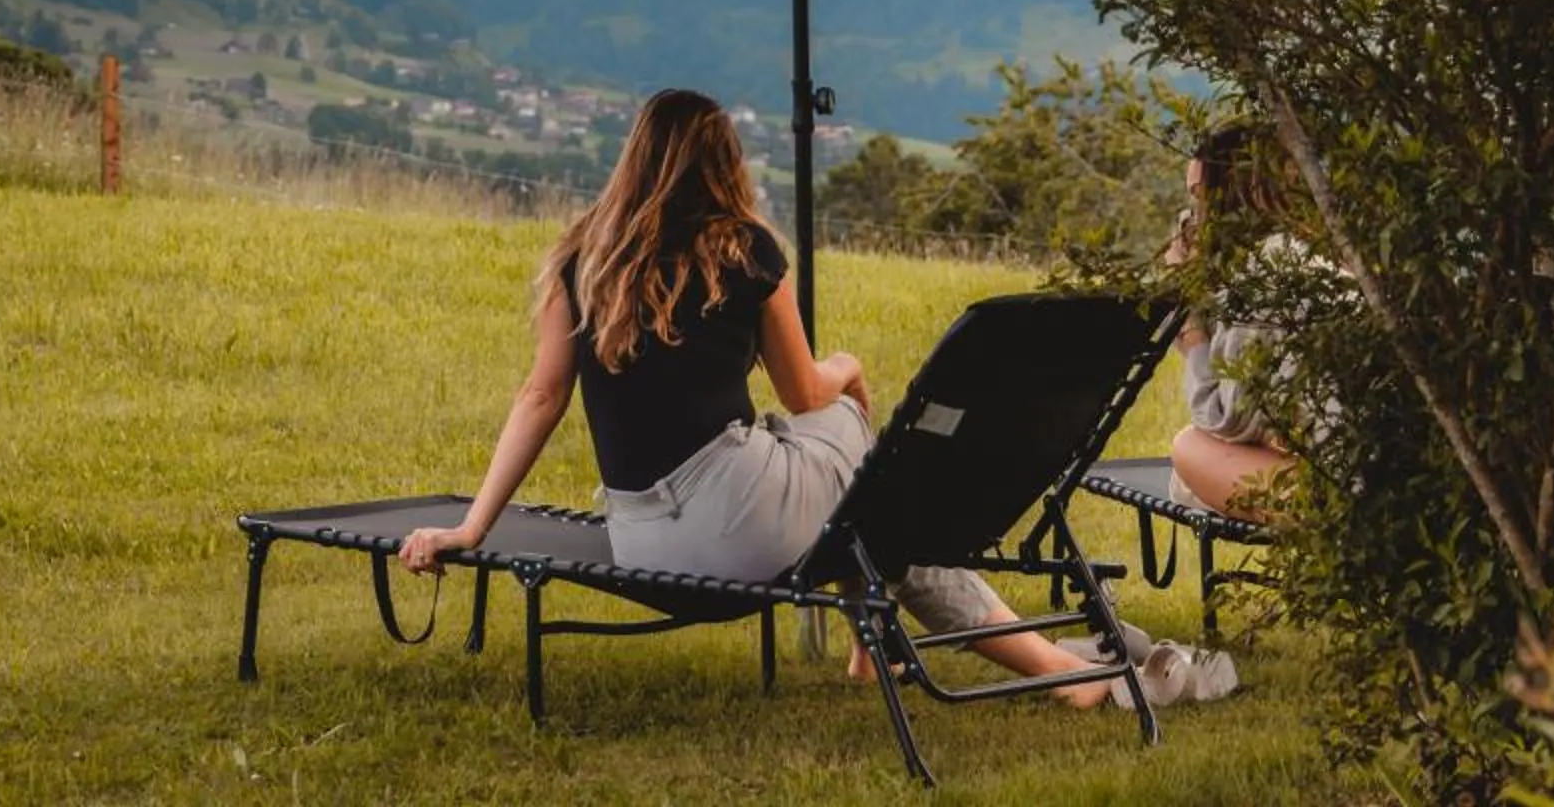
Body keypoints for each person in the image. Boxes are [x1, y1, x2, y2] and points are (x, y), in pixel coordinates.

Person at [394, 87, 1115, 706]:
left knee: (858, 499)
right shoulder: (746, 251)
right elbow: (804, 393)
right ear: (724, 164)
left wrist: (471, 529)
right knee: (864, 462)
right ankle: (1036, 669)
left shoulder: (585, 261)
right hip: (742, 522)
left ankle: (899, 647)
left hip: (643, 533)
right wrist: (851, 369)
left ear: (635, 160)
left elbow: (540, 396)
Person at [1165, 121, 1302, 518]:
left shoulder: (1265, 271)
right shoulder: (1316, 250)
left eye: (1198, 199)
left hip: (1342, 492)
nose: (1193, 218)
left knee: (1189, 447)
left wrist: (1190, 327)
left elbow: (1226, 421)